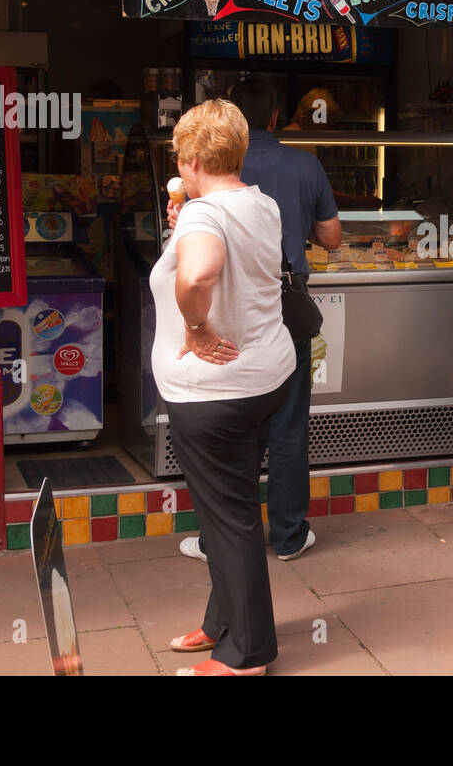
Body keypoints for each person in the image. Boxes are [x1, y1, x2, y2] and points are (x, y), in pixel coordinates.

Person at [151, 99, 295, 675]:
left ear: (189, 158)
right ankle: (222, 623)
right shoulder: (259, 203)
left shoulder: (203, 216)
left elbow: (200, 274)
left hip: (215, 393)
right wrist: (184, 227)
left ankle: (246, 655)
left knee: (228, 517)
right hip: (266, 378)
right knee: (224, 509)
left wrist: (196, 327)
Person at [173, 80, 342, 564]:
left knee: (231, 430)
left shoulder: (218, 182)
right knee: (288, 427)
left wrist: (197, 327)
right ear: (271, 119)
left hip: (225, 316)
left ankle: (220, 541)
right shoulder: (303, 165)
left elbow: (199, 266)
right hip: (282, 311)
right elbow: (332, 238)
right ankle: (289, 537)